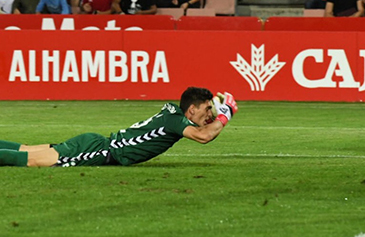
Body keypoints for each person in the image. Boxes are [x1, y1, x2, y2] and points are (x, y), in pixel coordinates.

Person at [0, 88, 238, 167]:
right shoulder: (176, 121)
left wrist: (219, 117)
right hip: (101, 151)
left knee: (28, 150)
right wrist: (226, 114)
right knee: (31, 161)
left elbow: (205, 132)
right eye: (208, 109)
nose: (210, 115)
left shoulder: (174, 116)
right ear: (192, 109)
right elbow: (204, 136)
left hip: (97, 144)